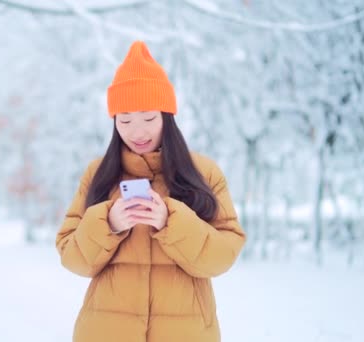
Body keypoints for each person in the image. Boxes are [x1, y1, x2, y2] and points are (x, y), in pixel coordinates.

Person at [56, 40, 246, 342]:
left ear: (167, 117)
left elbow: (222, 256)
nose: (137, 132)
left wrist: (171, 222)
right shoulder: (98, 174)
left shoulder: (204, 173)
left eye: (148, 118)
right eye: (125, 120)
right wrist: (109, 223)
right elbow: (72, 258)